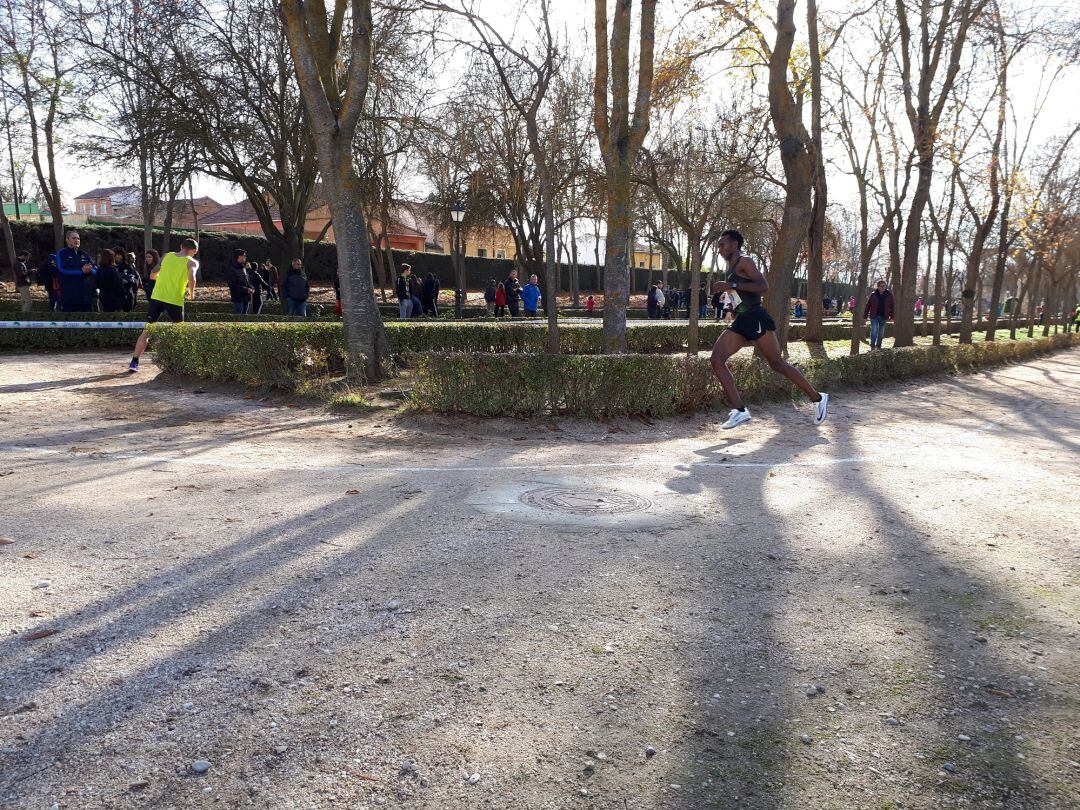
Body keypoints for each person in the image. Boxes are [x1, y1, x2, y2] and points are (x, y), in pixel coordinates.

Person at [709, 229, 828, 430]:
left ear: (735, 244)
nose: (720, 248)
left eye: (723, 244)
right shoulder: (731, 267)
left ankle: (818, 398)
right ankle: (739, 410)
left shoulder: (744, 262)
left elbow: (763, 286)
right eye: (719, 245)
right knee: (716, 359)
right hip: (742, 320)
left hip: (755, 318)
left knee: (777, 363)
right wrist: (730, 300)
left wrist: (731, 284)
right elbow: (742, 293)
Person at [128, 238, 199, 372]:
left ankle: (134, 362)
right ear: (193, 251)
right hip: (175, 300)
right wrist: (191, 293)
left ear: (181, 246)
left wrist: (158, 277)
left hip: (157, 297)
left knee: (146, 331)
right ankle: (178, 363)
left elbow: (153, 273)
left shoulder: (167, 256)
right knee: (179, 332)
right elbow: (192, 278)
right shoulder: (192, 261)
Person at [56, 231, 96, 312]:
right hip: (69, 295)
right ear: (67, 240)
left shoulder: (84, 254)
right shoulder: (61, 253)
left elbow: (95, 270)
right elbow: (62, 269)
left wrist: (91, 270)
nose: (77, 240)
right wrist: (81, 271)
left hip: (85, 296)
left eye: (78, 238)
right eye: (74, 238)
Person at [863, 279, 895, 350]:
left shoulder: (889, 294)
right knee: (874, 330)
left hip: (884, 316)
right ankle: (872, 345)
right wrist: (865, 317)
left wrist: (892, 317)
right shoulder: (873, 294)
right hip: (874, 316)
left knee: (881, 332)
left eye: (884, 286)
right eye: (881, 286)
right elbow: (868, 306)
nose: (882, 287)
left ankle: (878, 346)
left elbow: (892, 306)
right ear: (878, 287)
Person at [226, 249, 254, 314]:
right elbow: (232, 285)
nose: (245, 257)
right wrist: (246, 289)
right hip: (238, 298)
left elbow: (246, 281)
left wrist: (251, 288)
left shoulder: (243, 268)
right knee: (238, 318)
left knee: (244, 317)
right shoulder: (231, 269)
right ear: (239, 256)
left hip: (246, 297)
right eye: (244, 255)